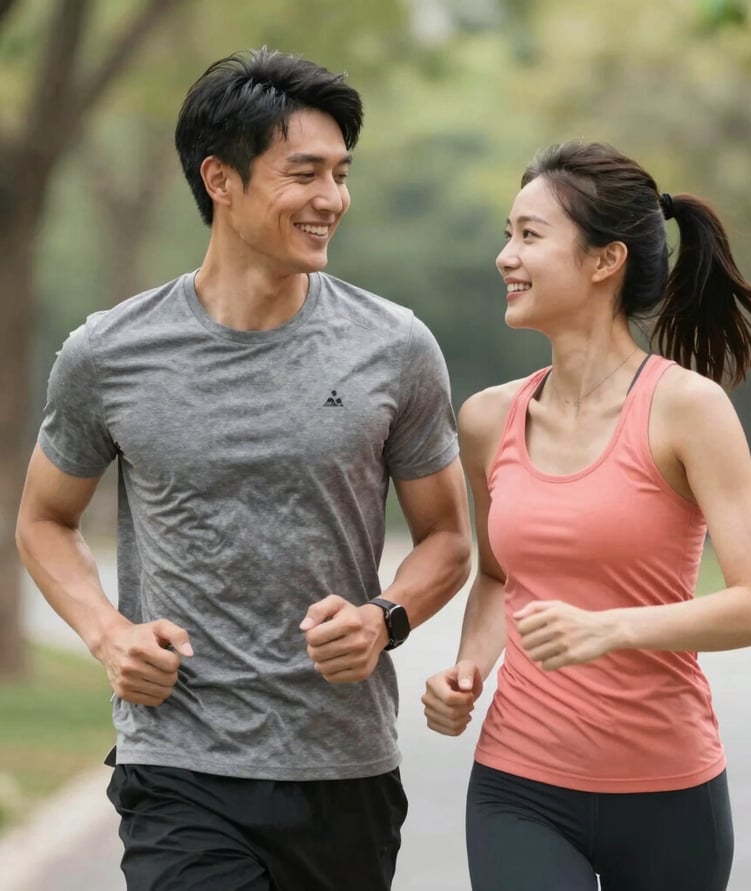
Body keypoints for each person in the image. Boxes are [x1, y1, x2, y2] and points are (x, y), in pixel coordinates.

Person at [15, 47, 471, 891]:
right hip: (179, 762)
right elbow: (43, 519)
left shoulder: (395, 347)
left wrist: (385, 619)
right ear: (219, 179)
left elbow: (448, 538)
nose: (332, 199)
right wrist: (108, 634)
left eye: (341, 173)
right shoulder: (109, 353)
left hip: (344, 768)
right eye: (305, 173)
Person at [422, 140, 751, 891]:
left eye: (529, 235)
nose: (504, 256)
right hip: (520, 786)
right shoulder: (487, 418)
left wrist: (612, 627)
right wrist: (469, 668)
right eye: (507, 233)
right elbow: (497, 577)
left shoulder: (687, 408)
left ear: (604, 260)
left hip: (671, 793)